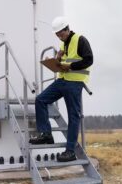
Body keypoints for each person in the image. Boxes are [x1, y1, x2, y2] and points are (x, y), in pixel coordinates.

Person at [29, 16, 93, 162]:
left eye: (61, 34)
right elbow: (65, 60)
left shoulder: (80, 40)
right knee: (41, 99)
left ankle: (70, 151)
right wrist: (55, 60)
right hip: (62, 80)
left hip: (75, 82)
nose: (59, 36)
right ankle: (46, 134)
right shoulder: (63, 44)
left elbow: (89, 60)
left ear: (67, 29)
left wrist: (69, 66)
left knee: (73, 116)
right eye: (57, 35)